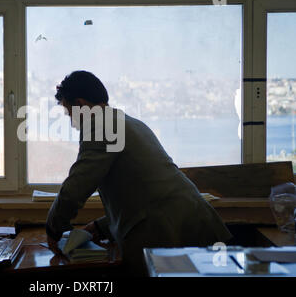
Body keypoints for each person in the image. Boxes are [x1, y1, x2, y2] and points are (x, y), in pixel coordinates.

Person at [45, 70, 232, 276]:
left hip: (168, 234)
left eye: (69, 112)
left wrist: (54, 229)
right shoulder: (129, 122)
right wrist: (100, 227)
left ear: (80, 104)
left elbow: (76, 187)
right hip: (193, 223)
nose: (72, 122)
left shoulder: (101, 127)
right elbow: (147, 193)